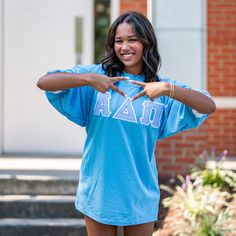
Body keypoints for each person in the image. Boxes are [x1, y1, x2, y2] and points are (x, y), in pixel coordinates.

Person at [37, 11, 216, 236]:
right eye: (118, 41)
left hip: (139, 192)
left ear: (146, 43)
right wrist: (87, 79)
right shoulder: (96, 76)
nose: (125, 47)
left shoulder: (161, 87)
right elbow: (44, 82)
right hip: (99, 190)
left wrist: (167, 90)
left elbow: (207, 106)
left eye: (132, 40)